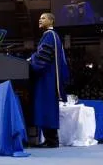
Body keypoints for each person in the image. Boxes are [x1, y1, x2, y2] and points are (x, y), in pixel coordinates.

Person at [28, 13, 69, 148]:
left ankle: (52, 140)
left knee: (46, 107)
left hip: (47, 78)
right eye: (39, 18)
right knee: (46, 107)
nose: (40, 19)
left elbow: (42, 57)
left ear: (51, 21)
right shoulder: (51, 36)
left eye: (43, 18)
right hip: (48, 77)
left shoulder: (49, 35)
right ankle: (50, 139)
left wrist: (31, 59)